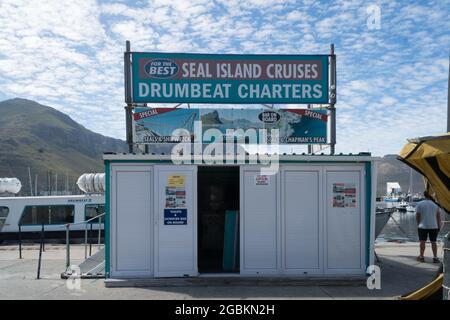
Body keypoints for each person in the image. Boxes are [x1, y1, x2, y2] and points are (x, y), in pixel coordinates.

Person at [415, 191, 441, 263]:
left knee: (422, 242)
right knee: (434, 242)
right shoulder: (435, 205)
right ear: (431, 195)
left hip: (422, 226)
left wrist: (418, 224)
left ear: (424, 195)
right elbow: (438, 217)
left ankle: (421, 257)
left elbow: (417, 216)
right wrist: (439, 226)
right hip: (434, 226)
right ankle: (435, 258)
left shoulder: (420, 204)